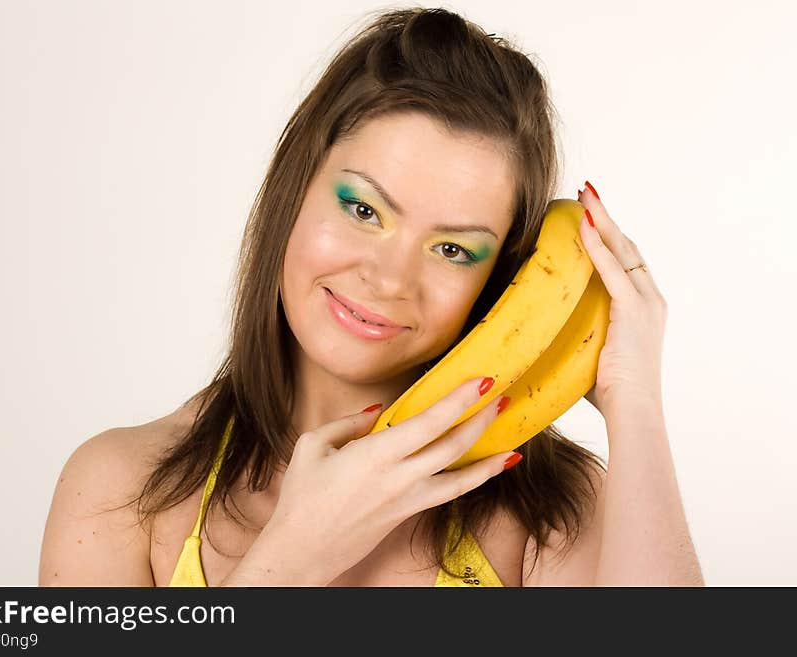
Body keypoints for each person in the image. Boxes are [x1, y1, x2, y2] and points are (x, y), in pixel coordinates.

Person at [38, 7, 703, 587]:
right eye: (363, 209)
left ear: (499, 281)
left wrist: (635, 401)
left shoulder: (549, 513)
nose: (388, 278)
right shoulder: (123, 492)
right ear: (294, 187)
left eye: (452, 250)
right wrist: (294, 557)